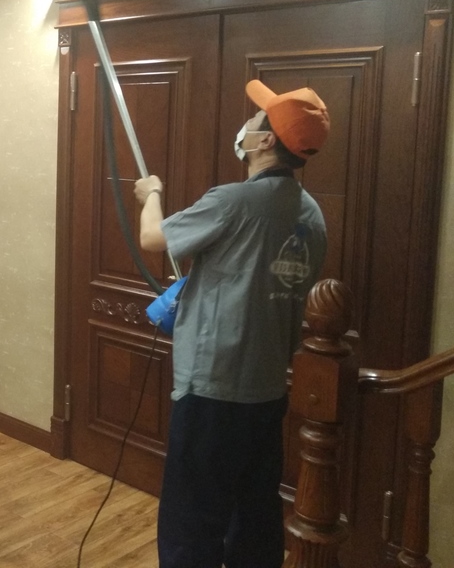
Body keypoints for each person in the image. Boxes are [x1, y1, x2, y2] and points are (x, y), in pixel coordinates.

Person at [134, 79, 330, 568]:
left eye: (255, 119)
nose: (245, 124)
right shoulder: (311, 215)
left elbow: (153, 239)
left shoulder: (234, 201)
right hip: (268, 387)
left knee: (192, 520)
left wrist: (151, 194)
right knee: (255, 513)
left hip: (213, 390)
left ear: (265, 141)